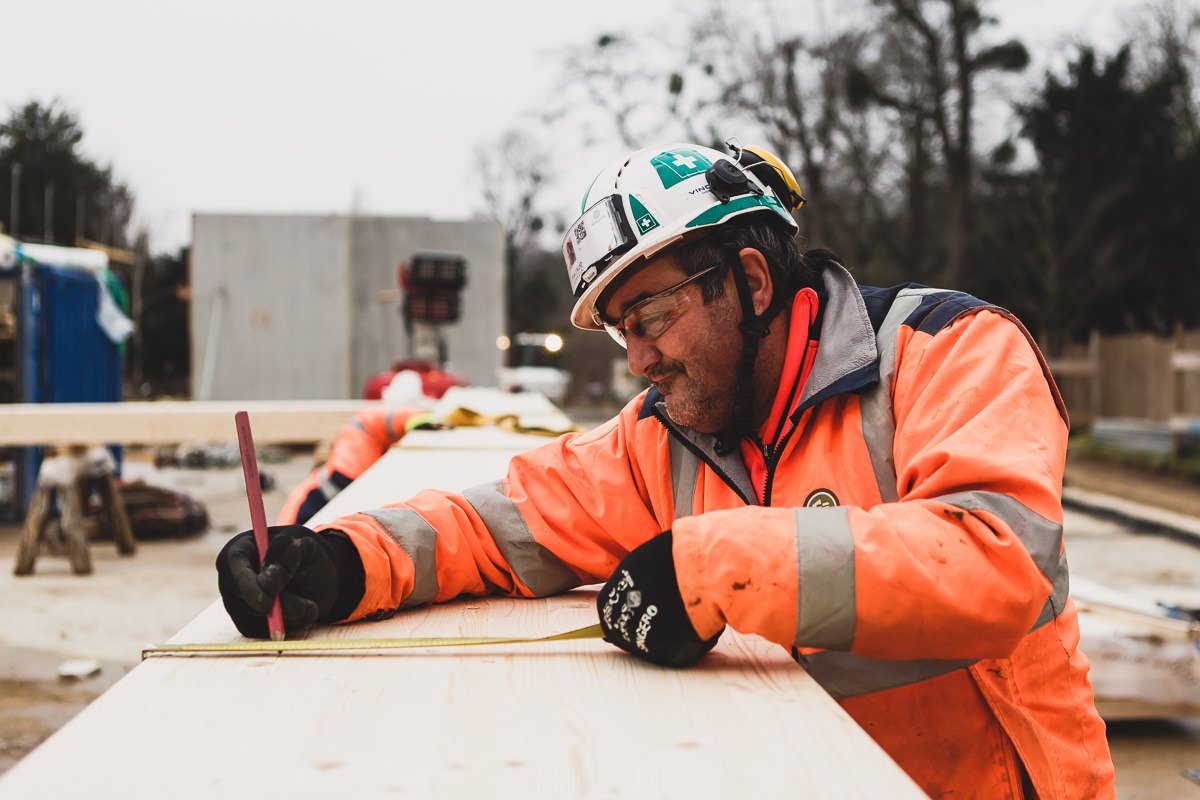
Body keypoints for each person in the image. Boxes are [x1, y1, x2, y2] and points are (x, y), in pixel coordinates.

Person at [217, 140, 1115, 798]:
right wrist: (338, 564)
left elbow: (1000, 561)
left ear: (752, 283)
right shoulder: (669, 434)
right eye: (619, 330)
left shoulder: (948, 352)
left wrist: (710, 569)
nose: (637, 360)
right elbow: (497, 527)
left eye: (649, 317)